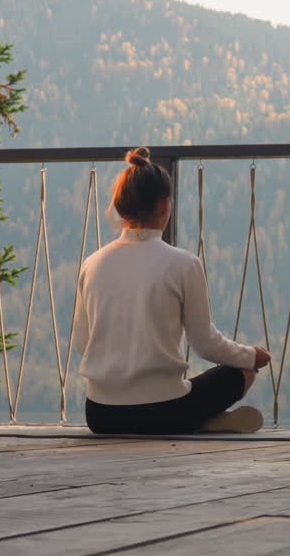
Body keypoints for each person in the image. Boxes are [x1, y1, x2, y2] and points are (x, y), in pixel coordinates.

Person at [74, 147, 270, 435]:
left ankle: (203, 420)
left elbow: (83, 342)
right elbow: (205, 344)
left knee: (199, 389)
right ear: (165, 206)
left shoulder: (92, 264)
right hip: (163, 412)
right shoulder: (184, 264)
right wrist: (252, 356)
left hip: (100, 414)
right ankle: (203, 419)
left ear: (120, 206)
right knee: (240, 373)